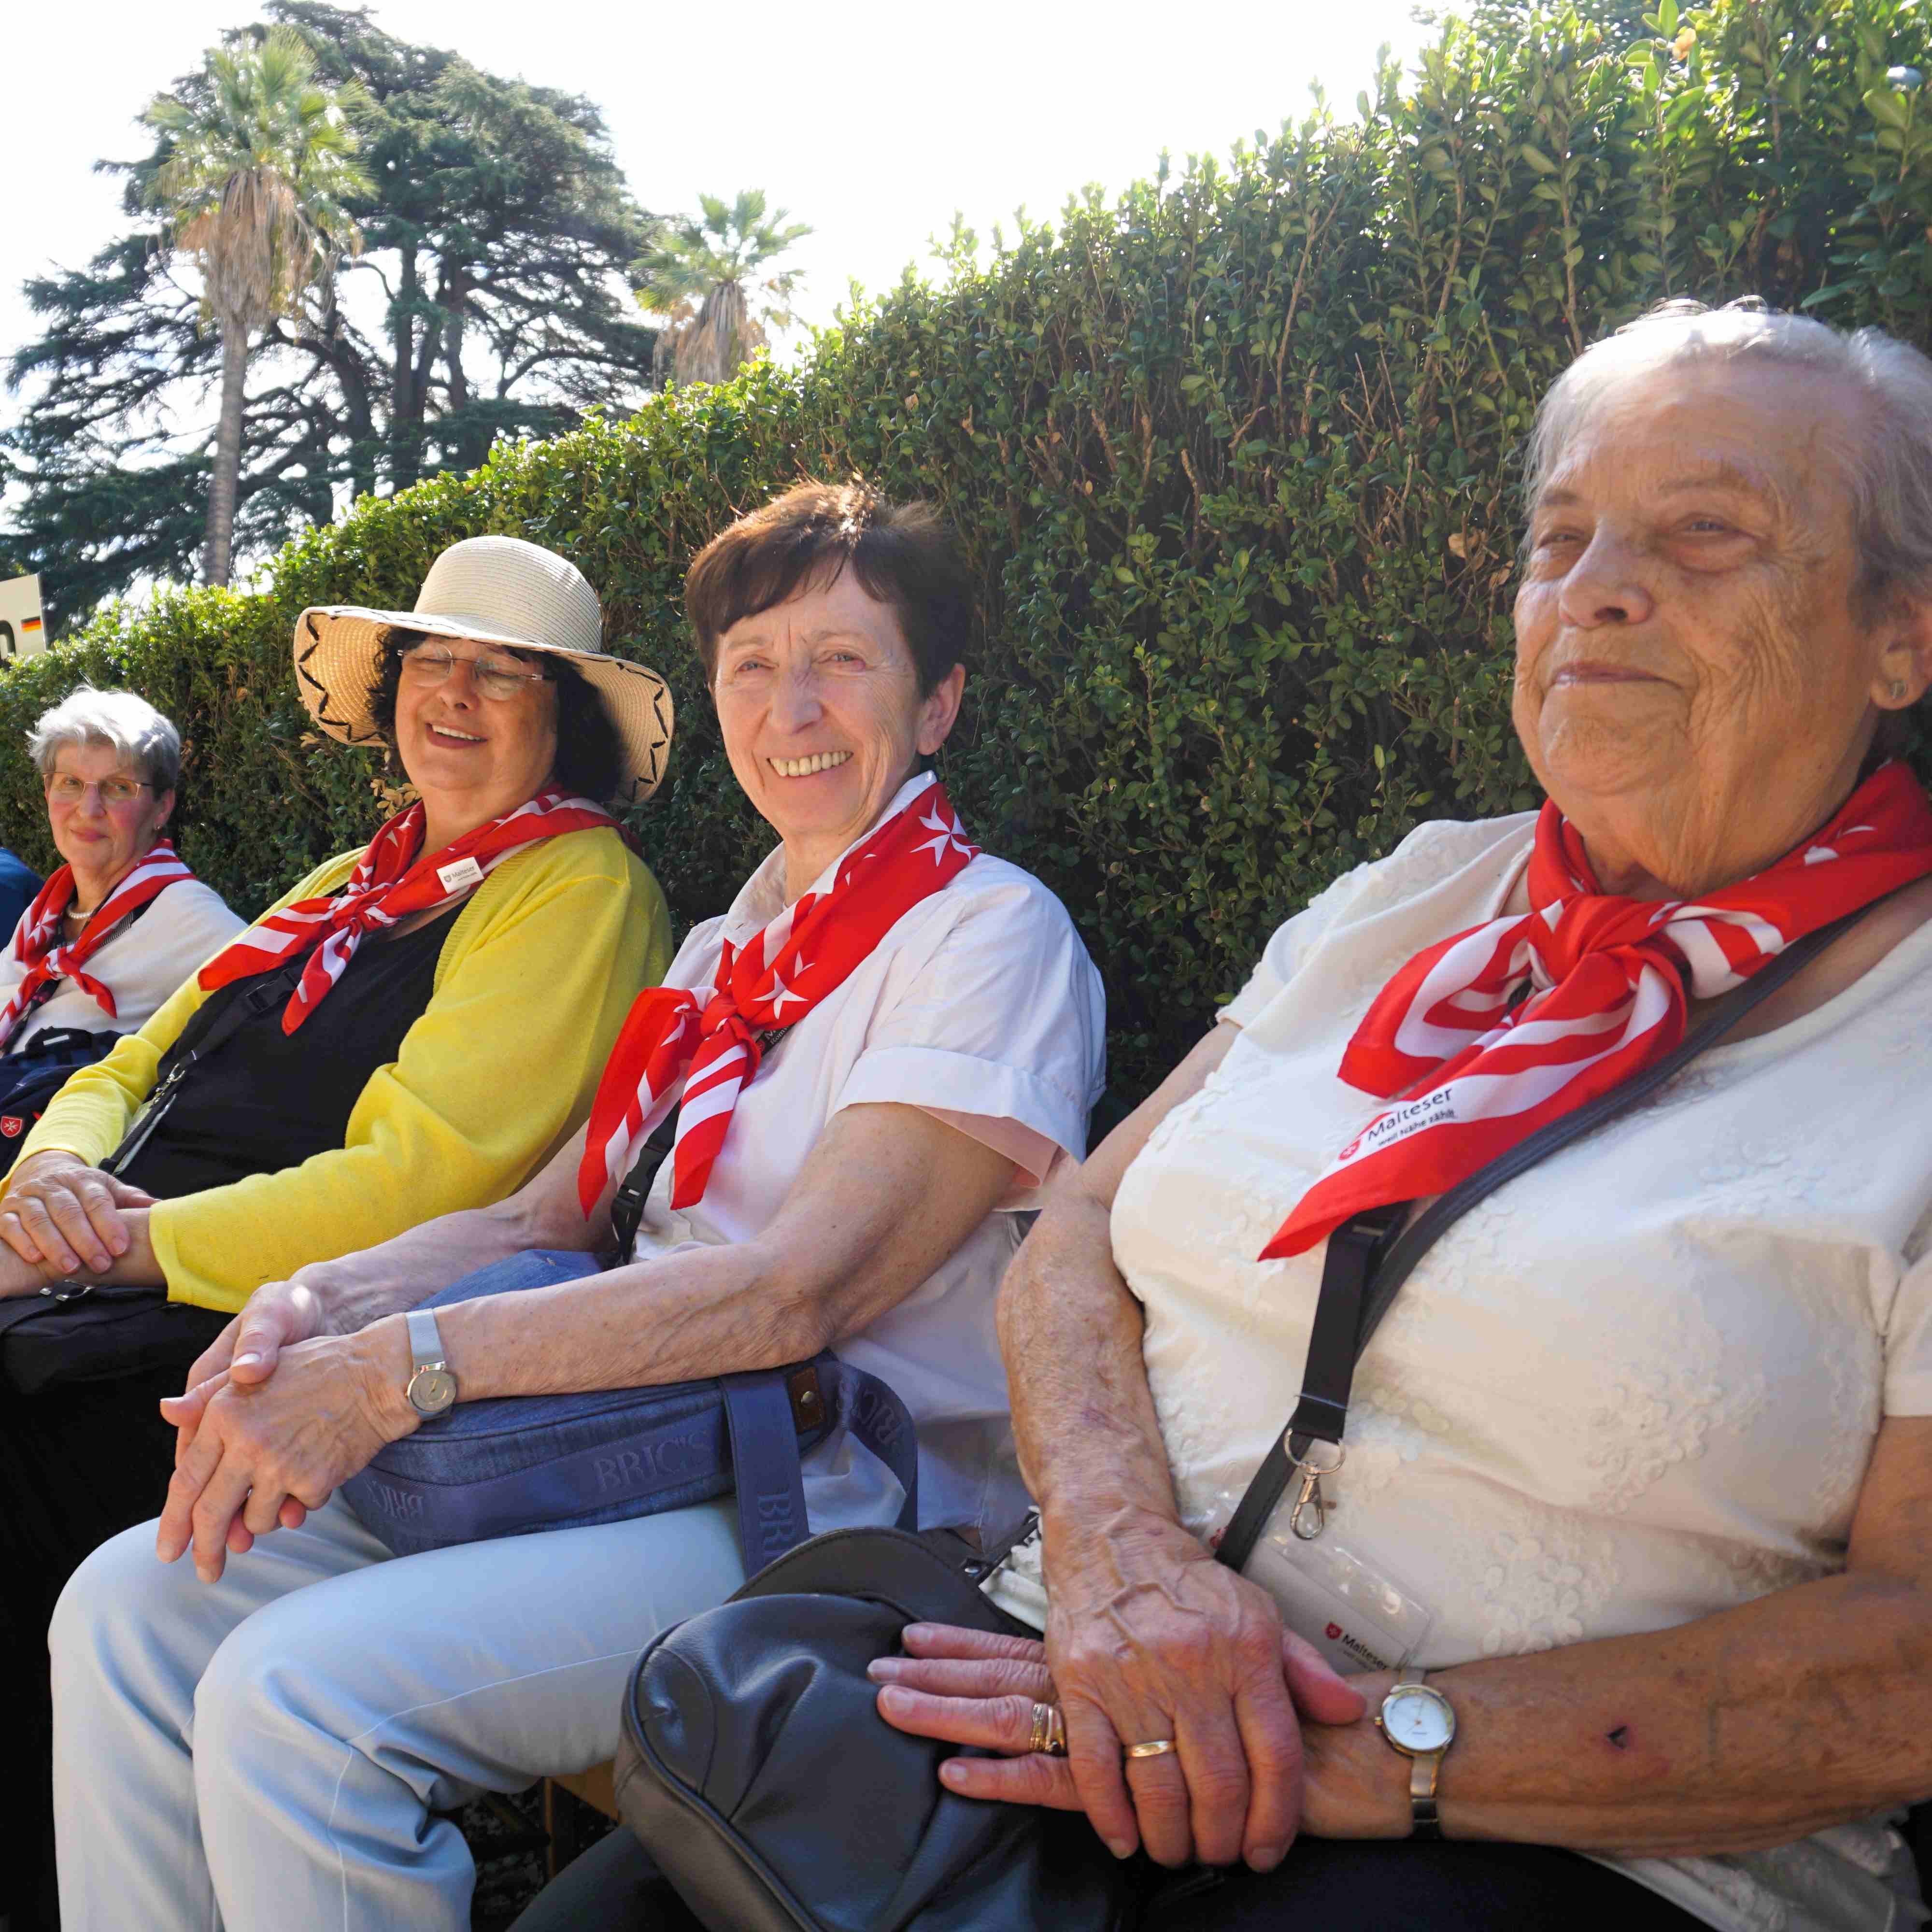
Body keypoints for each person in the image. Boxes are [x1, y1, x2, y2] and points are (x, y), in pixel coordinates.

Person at [824, 300, 1932, 1932]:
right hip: (1065, 1667)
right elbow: (1074, 1229)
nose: (1599, 590)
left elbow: (1911, 1649)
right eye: (1562, 539)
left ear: (1901, 634)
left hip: (1562, 1852)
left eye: (1709, 536)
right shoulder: (1411, 893)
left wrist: (1369, 1752)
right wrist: (1124, 1565)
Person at [50, 481, 1108, 1932]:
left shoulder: (990, 932)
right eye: (752, 664)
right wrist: (318, 1303)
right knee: (125, 1608)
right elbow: (543, 1220)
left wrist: (401, 1367)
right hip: (618, 1431)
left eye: (842, 660)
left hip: (828, 1499)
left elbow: (795, 1292)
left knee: (298, 1698)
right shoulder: (722, 951)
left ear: (935, 707)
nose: (790, 700)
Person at [2, 533, 674, 1930]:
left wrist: (118, 1245)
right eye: (434, 663)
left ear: (564, 726)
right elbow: (122, 1068)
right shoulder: (337, 882)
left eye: (504, 678)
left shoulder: (579, 889)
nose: (457, 698)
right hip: (105, 1277)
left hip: (278, 1332)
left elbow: (420, 1185)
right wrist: (50, 1178)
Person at [0, 689, 243, 1155]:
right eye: (70, 782)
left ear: (162, 807)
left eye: (118, 788)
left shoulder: (188, 916)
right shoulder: (45, 912)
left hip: (71, 1161)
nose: (88, 810)